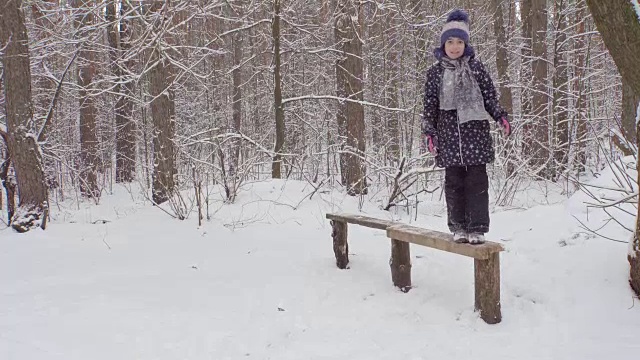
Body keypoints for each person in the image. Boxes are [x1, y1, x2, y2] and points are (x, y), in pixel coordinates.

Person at [422, 9, 511, 245]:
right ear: (443, 44)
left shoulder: (477, 69)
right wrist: (430, 132)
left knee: (477, 183)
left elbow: (489, 97)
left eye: (459, 41)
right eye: (450, 41)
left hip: (475, 133)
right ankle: (458, 227)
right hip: (449, 134)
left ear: (466, 43)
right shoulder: (435, 73)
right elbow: (430, 104)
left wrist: (500, 116)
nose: (454, 46)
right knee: (454, 184)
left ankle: (477, 228)